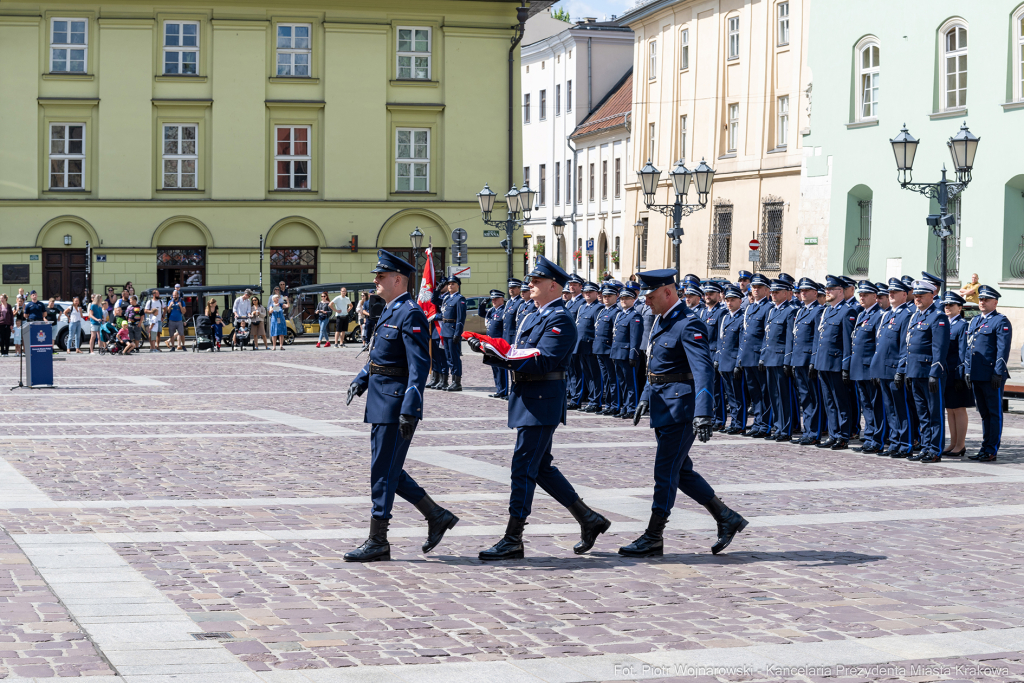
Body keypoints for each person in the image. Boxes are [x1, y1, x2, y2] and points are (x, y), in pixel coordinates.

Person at [470, 255, 610, 560]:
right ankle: (589, 519)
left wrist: (500, 355)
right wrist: (490, 349)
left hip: (543, 400)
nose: (529, 286)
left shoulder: (560, 318)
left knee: (523, 466)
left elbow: (543, 359)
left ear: (553, 286)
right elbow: (517, 351)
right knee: (540, 467)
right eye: (530, 281)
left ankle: (513, 538)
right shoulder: (532, 315)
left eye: (535, 282)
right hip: (527, 397)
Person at [623, 269, 748, 558]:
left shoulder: (688, 324)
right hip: (663, 405)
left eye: (651, 296)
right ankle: (727, 517)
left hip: (682, 409)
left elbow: (703, 370)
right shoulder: (662, 319)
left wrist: (704, 412)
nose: (646, 301)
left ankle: (653, 535)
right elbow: (656, 366)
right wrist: (645, 396)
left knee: (665, 471)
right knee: (681, 471)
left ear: (668, 293)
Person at [345, 250, 460, 561]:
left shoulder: (410, 312)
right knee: (386, 468)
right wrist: (363, 377)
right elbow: (381, 354)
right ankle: (436, 515)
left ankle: (378, 540)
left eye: (381, 277)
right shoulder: (390, 309)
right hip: (380, 398)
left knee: (382, 472)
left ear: (398, 280)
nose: (375, 281)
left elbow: (418, 365)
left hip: (396, 404)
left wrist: (411, 406)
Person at [894, 272, 948, 463]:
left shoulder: (938, 316)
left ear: (932, 295)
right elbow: (906, 347)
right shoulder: (915, 317)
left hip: (930, 373)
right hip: (914, 372)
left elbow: (939, 349)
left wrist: (935, 372)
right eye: (915, 296)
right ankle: (925, 447)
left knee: (935, 413)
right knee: (922, 413)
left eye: (921, 296)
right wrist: (903, 370)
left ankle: (935, 449)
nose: (917, 299)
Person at [964, 286, 1012, 462]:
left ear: (995, 302)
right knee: (983, 413)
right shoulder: (976, 321)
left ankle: (991, 449)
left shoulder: (1000, 321)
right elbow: (970, 348)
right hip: (977, 373)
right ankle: (985, 447)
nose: (982, 302)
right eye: (981, 299)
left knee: (994, 413)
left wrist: (998, 372)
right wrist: (968, 370)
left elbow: (1003, 350)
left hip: (992, 375)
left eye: (986, 300)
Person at [812, 275, 857, 450]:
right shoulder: (827, 311)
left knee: (841, 401)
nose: (827, 292)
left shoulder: (847, 311)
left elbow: (847, 342)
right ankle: (833, 433)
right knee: (829, 401)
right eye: (826, 289)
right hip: (823, 362)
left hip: (837, 363)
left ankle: (843, 436)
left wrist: (846, 366)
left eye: (831, 289)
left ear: (840, 291)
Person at [873, 279, 913, 457]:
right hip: (883, 369)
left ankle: (906, 443)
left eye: (895, 292)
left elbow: (905, 346)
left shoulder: (906, 315)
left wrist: (901, 369)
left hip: (896, 369)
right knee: (890, 408)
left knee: (901, 408)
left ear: (904, 295)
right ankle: (895, 442)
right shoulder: (887, 314)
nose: (891, 295)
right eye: (890, 292)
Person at [759, 278, 797, 441]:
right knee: (774, 395)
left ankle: (786, 429)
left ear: (785, 293)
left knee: (784, 395)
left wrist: (787, 360)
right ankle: (778, 426)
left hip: (781, 358)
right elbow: (766, 337)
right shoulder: (772, 311)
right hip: (770, 358)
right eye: (772, 292)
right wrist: (762, 356)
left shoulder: (790, 311)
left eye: (776, 292)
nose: (773, 295)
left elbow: (790, 338)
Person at [787, 279, 824, 445]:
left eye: (807, 290)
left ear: (815, 293)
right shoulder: (801, 311)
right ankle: (807, 430)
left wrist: (814, 360)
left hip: (809, 359)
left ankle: (815, 432)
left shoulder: (818, 311)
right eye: (801, 290)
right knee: (805, 398)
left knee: (813, 398)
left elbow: (817, 338)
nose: (803, 293)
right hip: (798, 359)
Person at [849, 281, 884, 453]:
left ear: (875, 297)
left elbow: (878, 345)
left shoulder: (879, 315)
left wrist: (876, 368)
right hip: (859, 368)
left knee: (875, 405)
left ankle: (878, 439)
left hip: (870, 368)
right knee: (866, 405)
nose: (861, 298)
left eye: (865, 295)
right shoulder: (862, 314)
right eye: (860, 295)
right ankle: (870, 436)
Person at [738, 274, 771, 437]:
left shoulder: (768, 307)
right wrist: (741, 356)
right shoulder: (750, 308)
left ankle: (765, 424)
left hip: (759, 357)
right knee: (754, 393)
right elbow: (745, 334)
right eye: (754, 287)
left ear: (767, 290)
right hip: (748, 356)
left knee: (764, 393)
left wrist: (763, 356)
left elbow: (767, 335)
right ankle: (758, 422)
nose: (755, 290)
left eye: (759, 287)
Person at [940, 291, 972, 457]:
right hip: (946, 374)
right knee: (950, 409)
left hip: (956, 374)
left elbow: (963, 351)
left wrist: (960, 374)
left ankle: (960, 444)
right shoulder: (945, 323)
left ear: (960, 308)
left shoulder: (962, 325)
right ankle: (952, 442)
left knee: (959, 409)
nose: (947, 307)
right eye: (946, 305)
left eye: (951, 305)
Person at [610, 284, 644, 419]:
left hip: (627, 355)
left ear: (633, 300)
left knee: (631, 383)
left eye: (627, 298)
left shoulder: (635, 316)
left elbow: (635, 338)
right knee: (622, 383)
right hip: (617, 353)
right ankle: (625, 406)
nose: (623, 301)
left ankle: (632, 408)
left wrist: (633, 355)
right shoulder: (620, 315)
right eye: (622, 298)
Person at [716, 286, 746, 434]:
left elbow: (742, 343)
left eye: (733, 300)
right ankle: (733, 422)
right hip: (724, 361)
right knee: (730, 396)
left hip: (733, 362)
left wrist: (738, 363)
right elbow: (720, 341)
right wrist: (717, 358)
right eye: (727, 300)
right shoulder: (725, 317)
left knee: (737, 395)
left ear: (740, 301)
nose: (729, 303)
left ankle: (739, 423)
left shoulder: (742, 318)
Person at [573, 282, 602, 411]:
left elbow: (598, 329)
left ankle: (596, 402)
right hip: (581, 346)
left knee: (595, 375)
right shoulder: (583, 307)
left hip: (591, 346)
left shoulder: (598, 308)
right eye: (585, 292)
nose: (587, 294)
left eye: (590, 292)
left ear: (596, 293)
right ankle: (591, 400)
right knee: (588, 375)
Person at [594, 283, 619, 415]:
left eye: (609, 296)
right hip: (600, 349)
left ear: (616, 296)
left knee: (613, 379)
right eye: (605, 296)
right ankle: (608, 404)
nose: (606, 298)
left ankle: (615, 405)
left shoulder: (616, 312)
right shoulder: (603, 311)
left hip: (609, 350)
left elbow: (616, 333)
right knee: (606, 379)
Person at [496, 278, 524, 399]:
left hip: (513, 339)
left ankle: (514, 391)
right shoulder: (509, 303)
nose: (511, 290)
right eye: (510, 288)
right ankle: (506, 390)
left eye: (514, 288)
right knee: (506, 367)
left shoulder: (520, 302)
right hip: (506, 338)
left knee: (514, 368)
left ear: (519, 289)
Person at [439, 276, 466, 391]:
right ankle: (452, 380)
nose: (450, 286)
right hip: (445, 330)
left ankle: (457, 382)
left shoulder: (459, 299)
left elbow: (461, 318)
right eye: (449, 284)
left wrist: (457, 333)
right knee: (448, 357)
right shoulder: (446, 298)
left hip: (453, 330)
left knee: (454, 357)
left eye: (453, 284)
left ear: (458, 286)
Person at [564, 275, 586, 408]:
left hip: (577, 342)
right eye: (570, 284)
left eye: (575, 285)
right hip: (569, 342)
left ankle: (577, 398)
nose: (571, 286)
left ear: (580, 287)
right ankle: (573, 395)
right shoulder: (569, 303)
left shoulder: (582, 303)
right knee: (571, 371)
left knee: (578, 372)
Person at [485, 289, 506, 398]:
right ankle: (498, 389)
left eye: (496, 299)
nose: (494, 301)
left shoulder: (503, 311)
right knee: (494, 367)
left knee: (501, 369)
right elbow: (481, 314)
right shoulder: (492, 311)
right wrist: (482, 304)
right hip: (490, 342)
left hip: (499, 343)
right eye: (492, 299)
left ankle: (503, 390)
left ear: (502, 299)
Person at [0, 293, 13, 357]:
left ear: (5, 299)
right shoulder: (0, 306)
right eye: (0, 298)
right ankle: (2, 352)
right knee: (2, 339)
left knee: (7, 338)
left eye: (2, 298)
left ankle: (6, 352)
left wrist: (11, 324)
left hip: (8, 324)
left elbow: (11, 316)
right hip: (1, 324)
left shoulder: (9, 306)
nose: (1, 299)